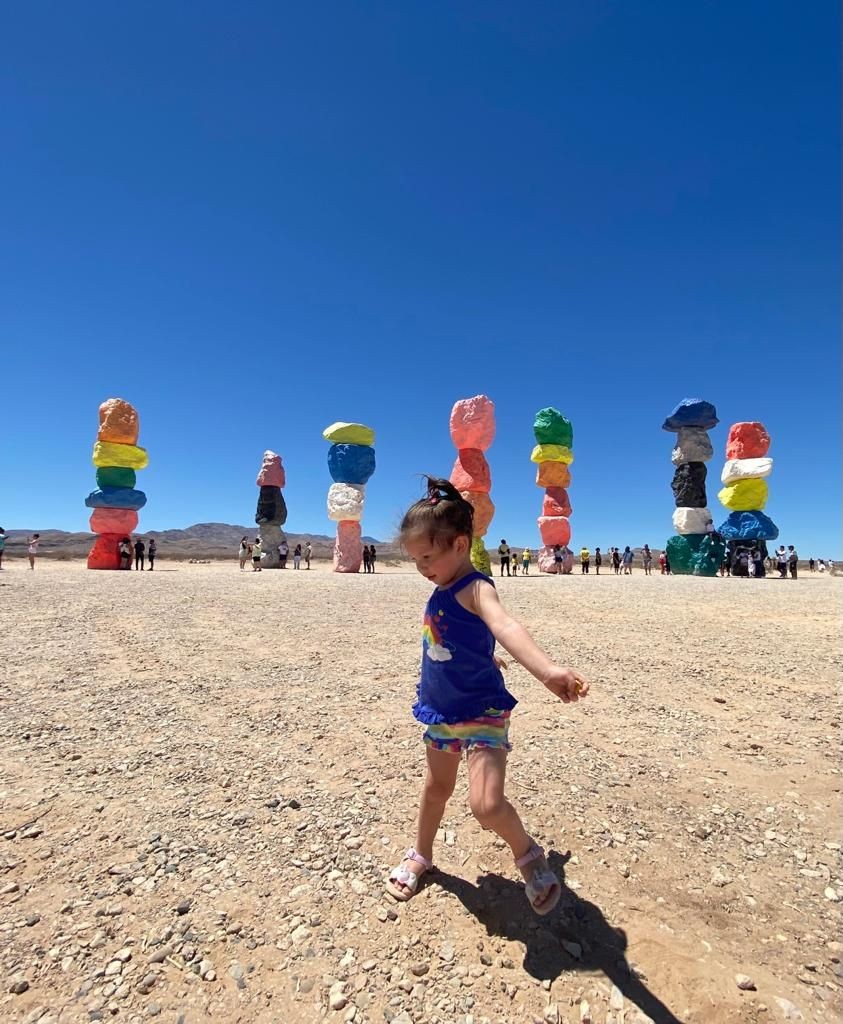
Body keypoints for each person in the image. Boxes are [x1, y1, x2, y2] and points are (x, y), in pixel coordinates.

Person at [385, 477, 589, 913]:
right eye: (415, 558)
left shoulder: (476, 587)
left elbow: (504, 626)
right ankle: (422, 854)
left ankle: (528, 855)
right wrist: (483, 657)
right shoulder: (441, 588)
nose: (421, 567)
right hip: (441, 710)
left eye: (427, 556)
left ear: (460, 545)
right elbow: (459, 640)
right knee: (436, 787)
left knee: (486, 804)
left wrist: (547, 671)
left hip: (482, 711)